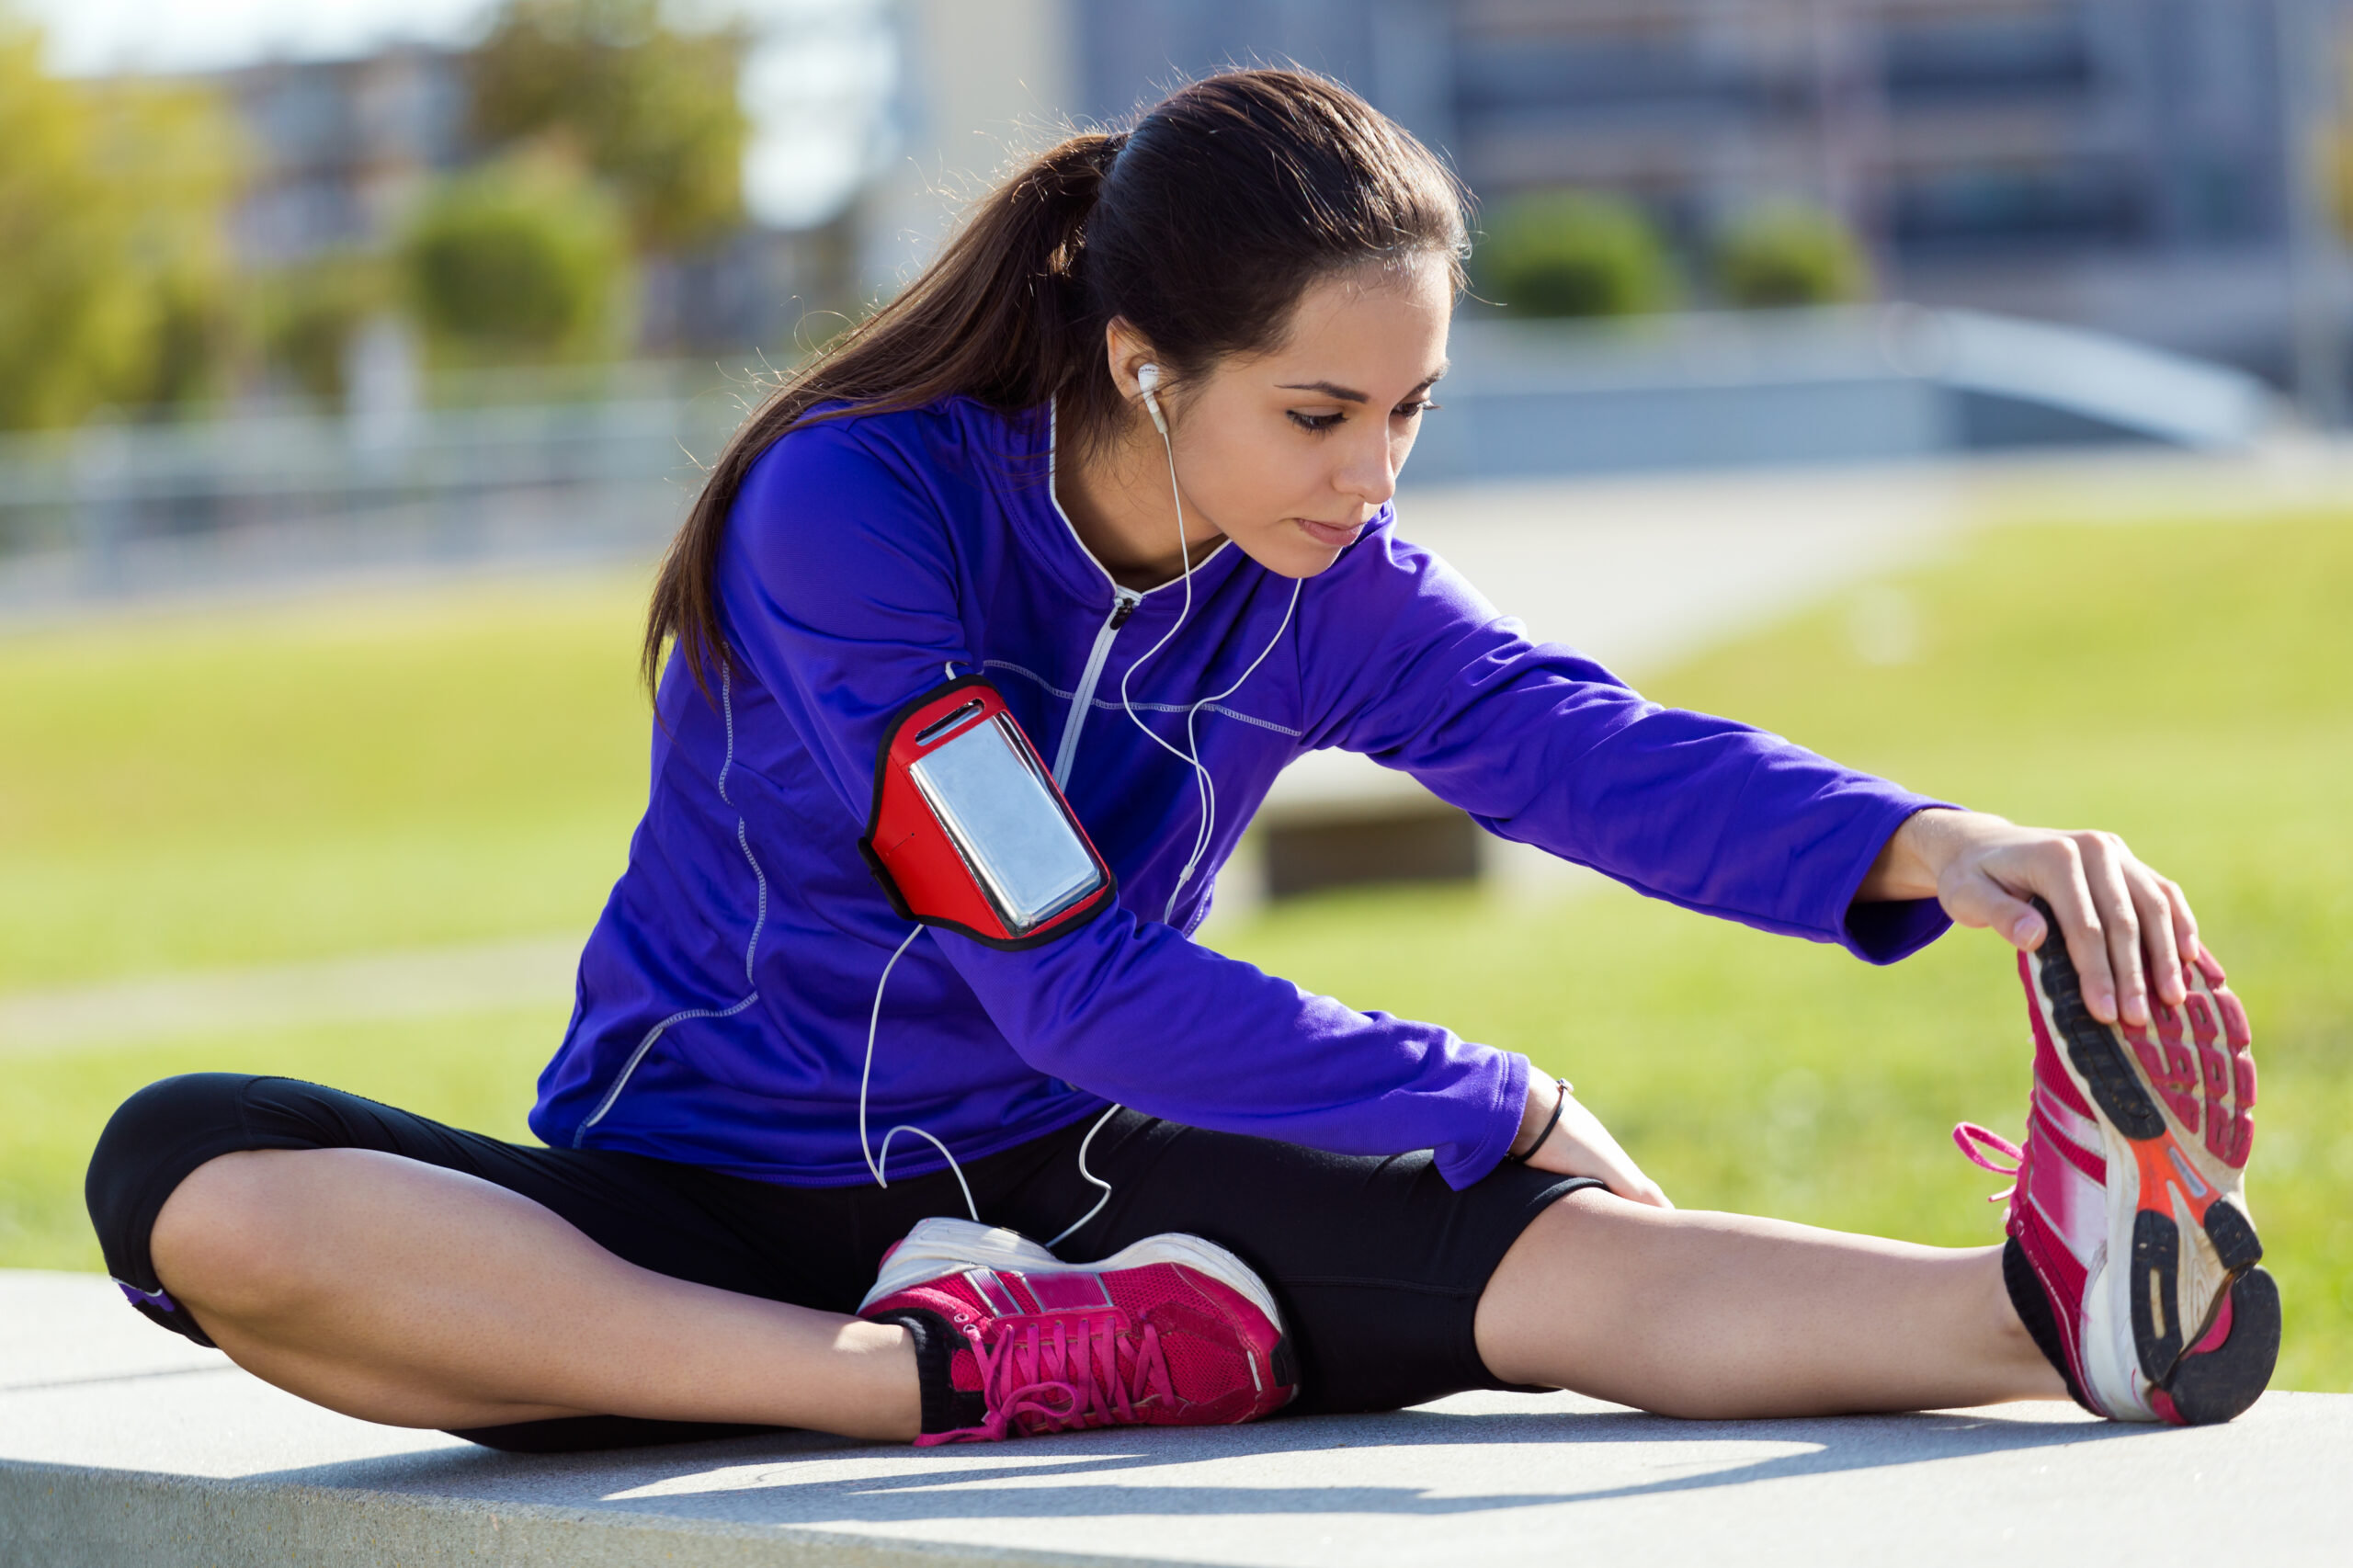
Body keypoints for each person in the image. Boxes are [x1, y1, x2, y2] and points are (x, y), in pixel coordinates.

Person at [84, 69, 2275, 1450]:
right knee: (197, 1176)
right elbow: (1052, 962)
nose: (1367, 476)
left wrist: (1928, 847)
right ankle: (924, 1379)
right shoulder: (859, 514)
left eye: (1407, 414)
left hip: (1088, 1198)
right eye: (1318, 416)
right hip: (707, 1201)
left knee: (1557, 1263)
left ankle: (2040, 1305)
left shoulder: (1325, 573)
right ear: (1146, 366)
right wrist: (1480, 1086)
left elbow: (1573, 745)